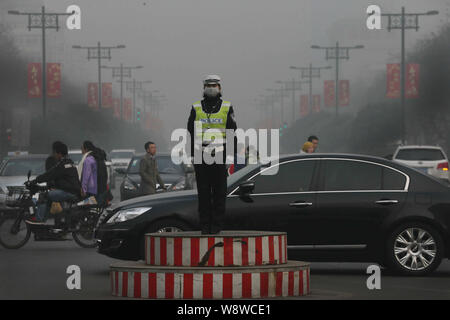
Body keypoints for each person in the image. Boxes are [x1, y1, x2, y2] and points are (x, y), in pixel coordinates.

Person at [187, 75, 237, 234]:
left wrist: (229, 156)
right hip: (201, 153)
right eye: (208, 85)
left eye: (214, 85)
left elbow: (231, 131)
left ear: (219, 88)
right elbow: (191, 130)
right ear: (203, 88)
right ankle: (204, 226)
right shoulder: (196, 107)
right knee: (203, 192)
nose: (211, 87)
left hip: (220, 153)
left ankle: (216, 227)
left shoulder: (226, 106)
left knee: (219, 192)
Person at [26, 142, 81, 225]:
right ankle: (47, 223)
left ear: (59, 153)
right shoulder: (69, 162)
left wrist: (35, 181)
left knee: (44, 196)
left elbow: (50, 174)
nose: (54, 155)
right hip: (72, 191)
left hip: (69, 192)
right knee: (50, 196)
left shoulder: (62, 164)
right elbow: (59, 178)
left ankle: (39, 220)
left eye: (54, 153)